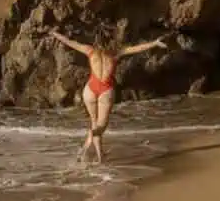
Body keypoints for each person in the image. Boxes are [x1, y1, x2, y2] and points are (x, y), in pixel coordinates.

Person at [48, 28, 169, 163]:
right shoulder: (115, 54)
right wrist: (155, 43)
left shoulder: (90, 51)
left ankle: (100, 156)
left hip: (90, 89)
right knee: (102, 125)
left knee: (94, 122)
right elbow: (136, 49)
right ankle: (91, 139)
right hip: (105, 90)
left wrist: (55, 34)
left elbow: (70, 42)